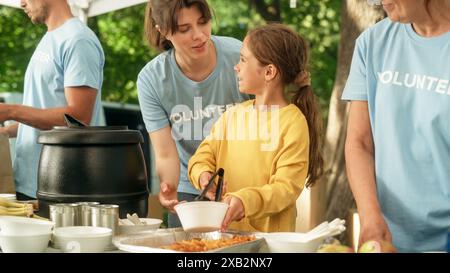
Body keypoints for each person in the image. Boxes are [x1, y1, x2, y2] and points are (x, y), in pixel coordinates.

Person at [187, 23, 324, 232]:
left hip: (269, 244)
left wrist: (245, 200)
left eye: (243, 59)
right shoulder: (233, 115)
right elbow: (202, 156)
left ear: (269, 72)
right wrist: (203, 174)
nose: (236, 66)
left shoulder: (293, 123)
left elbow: (285, 189)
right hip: (225, 238)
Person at [343, 0, 450, 252]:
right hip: (388, 240)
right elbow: (359, 143)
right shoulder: (371, 43)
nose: (376, 1)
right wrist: (370, 217)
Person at [137, 0, 251, 227]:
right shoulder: (151, 80)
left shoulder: (237, 56)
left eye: (203, 22)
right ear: (163, 31)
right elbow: (166, 154)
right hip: (190, 193)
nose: (199, 35)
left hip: (244, 186)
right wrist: (168, 186)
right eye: (184, 29)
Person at [0, 0, 104, 201]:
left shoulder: (78, 40)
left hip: (59, 186)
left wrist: (11, 111)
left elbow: (78, 117)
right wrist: (7, 131)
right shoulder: (50, 38)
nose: (21, 3)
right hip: (29, 182)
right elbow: (46, 111)